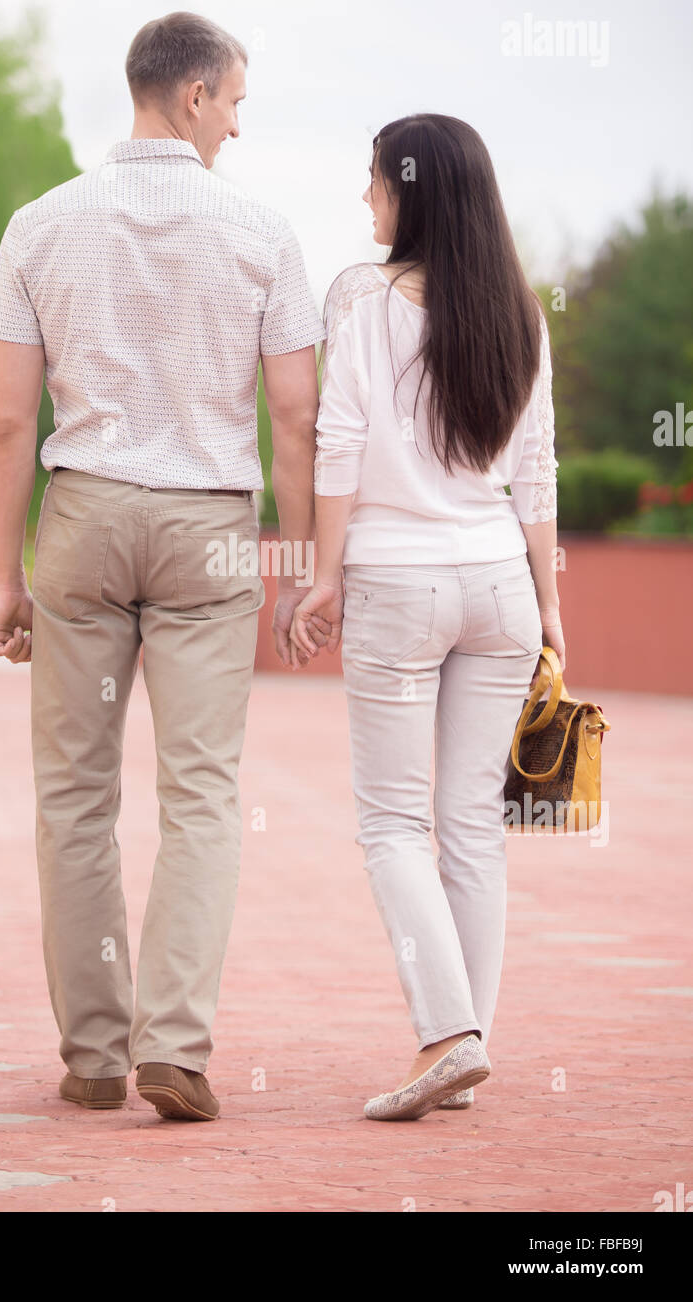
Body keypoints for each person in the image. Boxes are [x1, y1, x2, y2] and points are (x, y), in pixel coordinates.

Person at [0, 12, 325, 1121]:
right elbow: (295, 413)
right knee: (201, 793)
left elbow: (4, 422)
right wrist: (300, 558)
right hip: (210, 521)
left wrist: (4, 578)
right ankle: (174, 1043)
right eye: (231, 102)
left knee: (74, 793)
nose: (234, 123)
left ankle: (91, 1052)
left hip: (81, 514)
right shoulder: (262, 231)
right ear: (190, 94)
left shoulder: (39, 225)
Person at [290, 113, 563, 1121]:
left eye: (372, 180)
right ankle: (466, 1044)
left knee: (393, 825)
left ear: (416, 190)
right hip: (498, 585)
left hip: (399, 587)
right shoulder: (518, 311)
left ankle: (447, 1035)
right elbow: (534, 473)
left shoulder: (363, 302)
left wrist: (321, 577)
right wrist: (551, 607)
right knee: (470, 831)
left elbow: (336, 446)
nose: (364, 197)